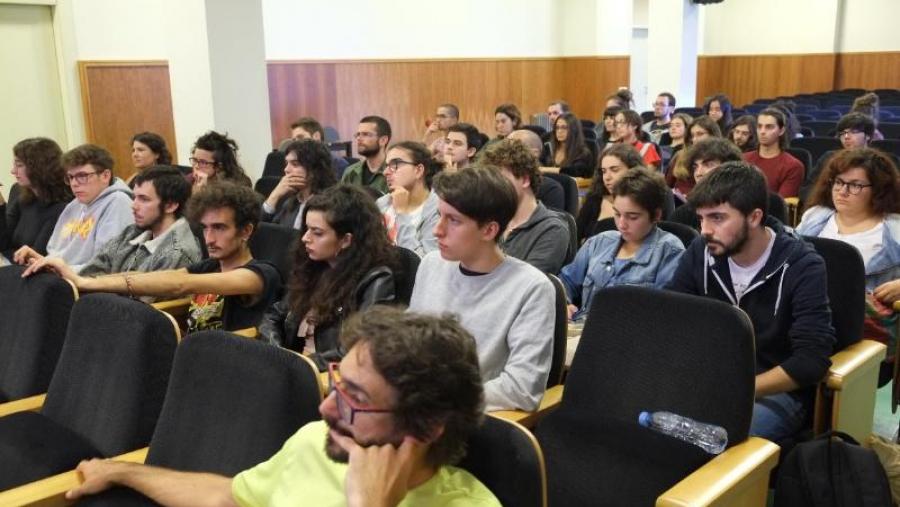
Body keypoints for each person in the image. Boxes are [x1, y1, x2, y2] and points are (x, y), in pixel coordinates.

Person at [64, 306, 501, 507]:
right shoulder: (318, 442)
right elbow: (226, 497)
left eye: (356, 399)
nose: (327, 409)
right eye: (337, 385)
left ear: (427, 428)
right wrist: (122, 471)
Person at [667, 162, 834, 442]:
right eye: (701, 218)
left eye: (718, 218)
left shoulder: (803, 266)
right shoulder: (701, 251)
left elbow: (811, 360)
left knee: (712, 442)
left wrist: (742, 388)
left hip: (775, 390)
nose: (705, 230)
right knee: (647, 423)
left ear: (754, 217)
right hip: (711, 377)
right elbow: (673, 315)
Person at [30, 182, 282, 334]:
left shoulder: (260, 274)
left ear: (246, 231)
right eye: (204, 227)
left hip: (231, 367)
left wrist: (85, 283)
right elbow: (149, 277)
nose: (209, 238)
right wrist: (80, 280)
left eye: (219, 228)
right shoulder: (209, 266)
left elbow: (181, 284)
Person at [409, 167, 555, 412]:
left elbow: (522, 388)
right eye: (439, 216)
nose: (438, 230)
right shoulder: (431, 265)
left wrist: (437, 398)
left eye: (453, 220)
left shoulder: (532, 288)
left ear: (489, 230)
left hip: (467, 420)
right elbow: (408, 345)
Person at [260, 185, 398, 369]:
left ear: (346, 240)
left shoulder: (376, 279)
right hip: (294, 368)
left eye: (317, 233)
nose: (305, 238)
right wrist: (276, 352)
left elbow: (358, 348)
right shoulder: (313, 267)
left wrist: (295, 364)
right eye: (307, 229)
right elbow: (274, 315)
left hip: (327, 376)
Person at [797, 148, 900, 370]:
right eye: (838, 182)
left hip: (865, 333)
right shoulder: (815, 217)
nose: (842, 191)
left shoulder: (894, 229)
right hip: (807, 319)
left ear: (879, 190)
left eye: (855, 185)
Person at [23, 166, 201, 282]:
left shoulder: (177, 252)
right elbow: (94, 269)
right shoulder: (133, 232)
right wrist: (52, 266)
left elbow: (143, 305)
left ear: (170, 205)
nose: (133, 205)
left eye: (144, 199)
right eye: (135, 196)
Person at [561, 167, 684, 321]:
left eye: (632, 217)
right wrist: (564, 304)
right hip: (582, 329)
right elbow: (566, 281)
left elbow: (662, 312)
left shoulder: (669, 251)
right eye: (617, 214)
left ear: (656, 215)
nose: (622, 224)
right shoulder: (599, 242)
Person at [13, 144, 133, 273]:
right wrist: (41, 259)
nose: (74, 184)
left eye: (82, 176)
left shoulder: (118, 202)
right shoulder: (75, 205)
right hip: (64, 277)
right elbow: (60, 255)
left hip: (88, 286)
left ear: (105, 176)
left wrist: (57, 269)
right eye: (70, 177)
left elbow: (105, 265)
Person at [481, 139, 571, 274]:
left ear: (524, 180)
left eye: (498, 179)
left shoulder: (553, 229)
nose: (490, 187)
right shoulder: (488, 220)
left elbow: (525, 285)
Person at [668, 138, 788, 229]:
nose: (698, 173)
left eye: (708, 164)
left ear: (730, 166)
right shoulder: (685, 213)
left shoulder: (769, 202)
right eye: (695, 167)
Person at [0, 138, 72, 262]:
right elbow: (3, 244)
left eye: (19, 165)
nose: (13, 171)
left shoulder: (62, 208)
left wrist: (10, 254)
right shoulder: (20, 194)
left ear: (40, 167)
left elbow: (33, 257)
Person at [377, 141, 440, 256]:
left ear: (418, 170)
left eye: (395, 164)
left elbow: (422, 263)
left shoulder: (438, 210)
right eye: (386, 166)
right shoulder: (383, 203)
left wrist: (402, 213)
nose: (386, 172)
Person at [577, 144, 647, 242]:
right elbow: (576, 238)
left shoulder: (648, 200)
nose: (607, 177)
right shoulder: (595, 199)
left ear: (633, 170)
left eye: (614, 170)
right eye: (604, 171)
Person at [262, 139, 337, 229]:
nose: (286, 169)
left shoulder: (331, 205)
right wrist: (274, 196)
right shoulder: (291, 203)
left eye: (295, 164)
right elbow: (265, 232)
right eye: (286, 163)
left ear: (314, 170)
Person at [801, 112, 876, 201]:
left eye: (853, 132)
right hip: (830, 206)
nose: (846, 137)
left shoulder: (878, 162)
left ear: (867, 135)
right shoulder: (828, 158)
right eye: (843, 133)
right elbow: (806, 189)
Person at [743, 108, 804, 198]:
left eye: (769, 127)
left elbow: (780, 204)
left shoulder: (793, 166)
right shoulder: (743, 159)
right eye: (759, 126)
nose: (762, 131)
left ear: (781, 131)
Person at [506, 129, 565, 212]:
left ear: (534, 154)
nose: (505, 154)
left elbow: (549, 223)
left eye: (514, 149)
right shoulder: (501, 182)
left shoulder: (551, 189)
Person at [342, 115, 391, 195]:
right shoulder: (350, 172)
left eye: (365, 134)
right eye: (358, 134)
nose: (359, 138)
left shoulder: (393, 173)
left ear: (383, 140)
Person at [548, 112, 595, 178]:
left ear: (573, 130)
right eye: (557, 128)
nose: (559, 131)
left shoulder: (583, 153)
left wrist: (544, 169)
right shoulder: (550, 149)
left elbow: (574, 171)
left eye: (564, 128)